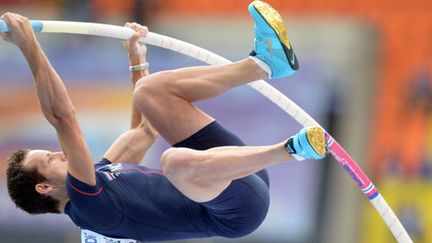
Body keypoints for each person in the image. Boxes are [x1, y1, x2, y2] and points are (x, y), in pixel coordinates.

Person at [3, 1, 328, 242]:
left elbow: (145, 130)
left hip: (237, 174)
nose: (59, 153)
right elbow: (63, 118)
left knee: (150, 92)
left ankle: (263, 65)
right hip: (237, 210)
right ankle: (291, 150)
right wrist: (30, 46)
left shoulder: (103, 173)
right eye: (49, 159)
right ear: (45, 188)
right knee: (173, 161)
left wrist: (136, 58)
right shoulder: (89, 209)